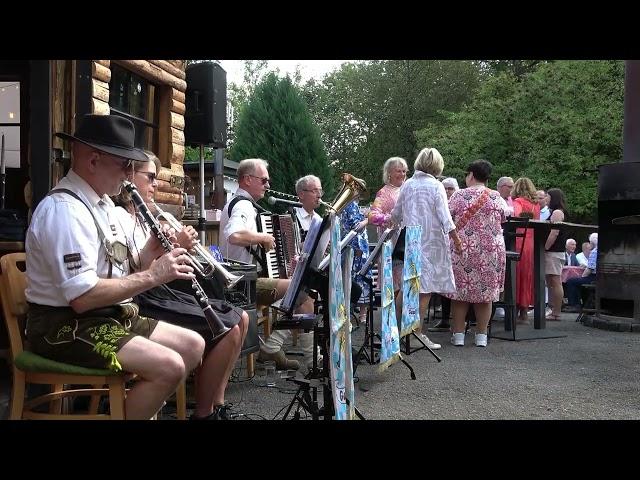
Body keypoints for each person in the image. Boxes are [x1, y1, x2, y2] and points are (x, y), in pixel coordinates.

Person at [24, 114, 205, 420]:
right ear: (93, 161)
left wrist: (149, 254)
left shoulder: (103, 204)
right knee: (169, 366)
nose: (129, 174)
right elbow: (82, 298)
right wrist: (153, 275)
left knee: (192, 345)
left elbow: (119, 271)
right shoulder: (64, 211)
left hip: (108, 315)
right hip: (62, 326)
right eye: (125, 164)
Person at [112, 152, 249, 420]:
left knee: (242, 318)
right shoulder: (119, 216)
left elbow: (152, 260)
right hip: (145, 298)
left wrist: (175, 245)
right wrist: (175, 247)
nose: (154, 184)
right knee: (230, 329)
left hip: (159, 290)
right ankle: (204, 412)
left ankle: (216, 405)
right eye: (150, 177)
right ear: (129, 176)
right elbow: (135, 269)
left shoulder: (142, 215)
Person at [219, 159, 315, 371]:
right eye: (264, 180)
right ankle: (308, 360)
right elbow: (234, 235)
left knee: (299, 290)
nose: (267, 185)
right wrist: (263, 237)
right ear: (247, 179)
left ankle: (273, 347)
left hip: (246, 277)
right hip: (239, 283)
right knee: (300, 290)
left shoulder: (246, 205)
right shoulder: (242, 205)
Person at [390, 147, 462, 350]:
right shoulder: (436, 186)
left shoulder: (408, 184)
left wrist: (389, 227)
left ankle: (398, 332)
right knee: (424, 291)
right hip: (431, 242)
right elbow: (444, 216)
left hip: (410, 240)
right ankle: (416, 334)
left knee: (407, 288)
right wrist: (456, 239)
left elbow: (396, 213)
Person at [444, 160, 506, 347]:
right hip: (490, 250)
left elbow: (447, 217)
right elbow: (503, 217)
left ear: (471, 175)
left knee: (460, 294)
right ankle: (481, 336)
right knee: (485, 295)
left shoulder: (458, 195)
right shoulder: (496, 197)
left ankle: (459, 335)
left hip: (463, 247)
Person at [368, 157, 408, 320]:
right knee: (395, 283)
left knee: (407, 282)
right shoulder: (384, 193)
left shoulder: (409, 189)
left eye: (404, 171)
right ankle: (392, 321)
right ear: (389, 173)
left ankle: (405, 321)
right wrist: (390, 219)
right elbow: (372, 216)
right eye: (398, 170)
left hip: (408, 241)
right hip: (391, 244)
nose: (402, 174)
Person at [428, 176, 460, 332]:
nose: (448, 191)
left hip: (458, 245)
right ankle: (445, 319)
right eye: (445, 188)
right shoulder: (438, 201)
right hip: (442, 246)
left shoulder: (460, 202)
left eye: (451, 188)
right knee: (445, 283)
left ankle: (461, 320)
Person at [511, 177, 541, 325]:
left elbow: (515, 217)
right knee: (527, 276)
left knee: (516, 274)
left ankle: (514, 311)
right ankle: (524, 312)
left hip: (518, 240)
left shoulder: (518, 203)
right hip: (531, 241)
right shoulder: (536, 206)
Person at [340, 199, 371, 324]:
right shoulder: (351, 204)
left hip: (351, 246)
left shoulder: (348, 204)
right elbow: (356, 226)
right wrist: (368, 219)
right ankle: (359, 315)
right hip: (356, 247)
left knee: (352, 280)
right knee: (359, 280)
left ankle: (353, 314)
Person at [543, 188, 569, 321]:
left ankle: (557, 312)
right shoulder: (555, 212)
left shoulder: (557, 212)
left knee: (555, 281)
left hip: (554, 252)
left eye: (547, 196)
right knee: (551, 281)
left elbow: (554, 232)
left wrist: (545, 247)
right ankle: (552, 309)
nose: (545, 199)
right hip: (554, 252)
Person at [565, 233, 598, 312]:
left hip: (594, 277)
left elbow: (589, 269)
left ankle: (574, 305)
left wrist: (582, 277)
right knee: (578, 281)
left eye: (590, 242)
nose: (589, 244)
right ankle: (582, 304)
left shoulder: (594, 252)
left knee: (571, 281)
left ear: (593, 242)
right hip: (600, 278)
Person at [293, 175, 323, 242]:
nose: (319, 195)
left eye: (320, 191)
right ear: (301, 194)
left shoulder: (318, 218)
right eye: (315, 191)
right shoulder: (291, 217)